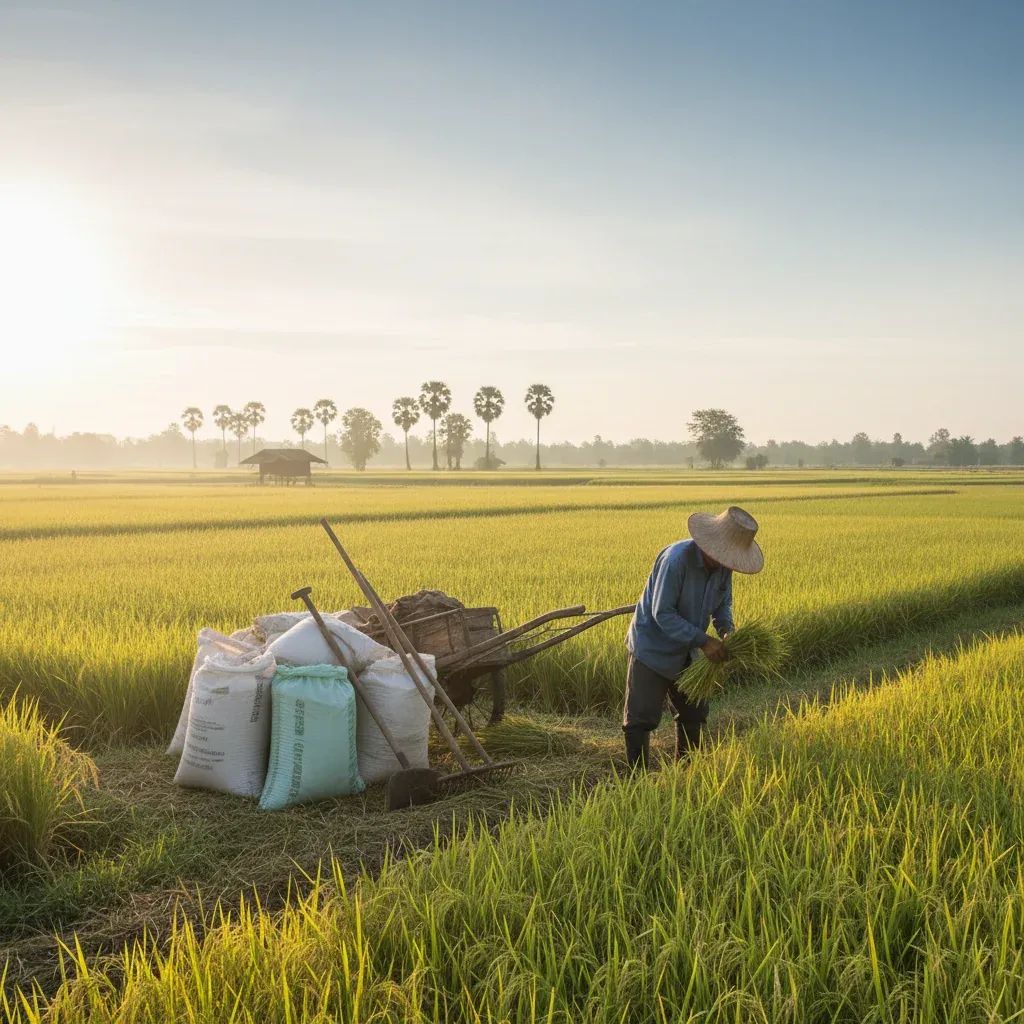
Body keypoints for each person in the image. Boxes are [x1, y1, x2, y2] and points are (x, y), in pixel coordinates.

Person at [624, 505, 764, 769]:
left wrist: (726, 632)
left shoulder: (724, 568)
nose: (729, 563)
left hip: (687, 648)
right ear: (711, 545)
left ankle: (687, 770)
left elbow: (723, 605)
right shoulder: (676, 560)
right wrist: (704, 641)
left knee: (694, 711)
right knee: (641, 717)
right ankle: (636, 779)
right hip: (652, 647)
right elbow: (662, 613)